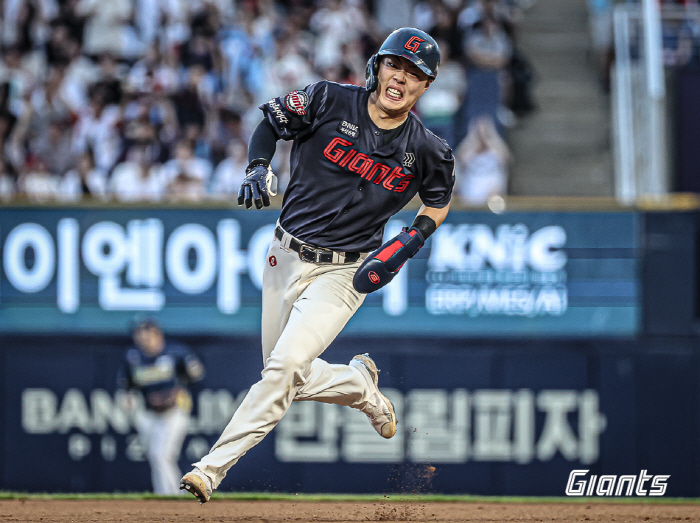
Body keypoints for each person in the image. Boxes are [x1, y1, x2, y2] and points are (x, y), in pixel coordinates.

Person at [180, 27, 454, 504]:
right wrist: (257, 166)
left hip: (344, 272)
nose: (400, 78)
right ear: (377, 66)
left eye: (414, 74)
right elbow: (269, 121)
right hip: (283, 254)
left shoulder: (427, 149)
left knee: (283, 368)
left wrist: (412, 239)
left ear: (425, 87)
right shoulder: (328, 99)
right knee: (283, 373)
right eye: (395, 65)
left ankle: (209, 469)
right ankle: (359, 385)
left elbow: (437, 201)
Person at [118, 318, 205, 495]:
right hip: (148, 413)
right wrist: (127, 399)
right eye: (140, 337)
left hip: (174, 411)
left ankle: (172, 496)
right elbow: (126, 385)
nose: (143, 341)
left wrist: (180, 385)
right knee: (156, 457)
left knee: (162, 455)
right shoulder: (133, 356)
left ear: (158, 335)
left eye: (147, 337)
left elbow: (196, 374)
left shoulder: (175, 352)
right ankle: (165, 495)